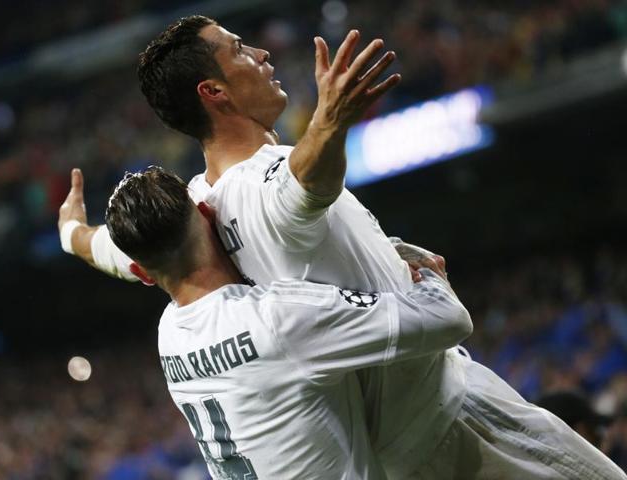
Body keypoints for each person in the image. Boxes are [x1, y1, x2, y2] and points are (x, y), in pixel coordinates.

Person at [59, 15, 627, 479]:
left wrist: (73, 235)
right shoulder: (264, 183)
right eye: (238, 50)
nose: (261, 53)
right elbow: (302, 190)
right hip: (449, 426)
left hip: (407, 443)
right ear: (214, 92)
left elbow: (116, 251)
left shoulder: (192, 211)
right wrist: (330, 124)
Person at [104, 166, 473, 480]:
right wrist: (412, 263)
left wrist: (72, 233)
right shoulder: (277, 318)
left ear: (143, 274)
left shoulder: (168, 335)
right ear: (205, 212)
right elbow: (448, 319)